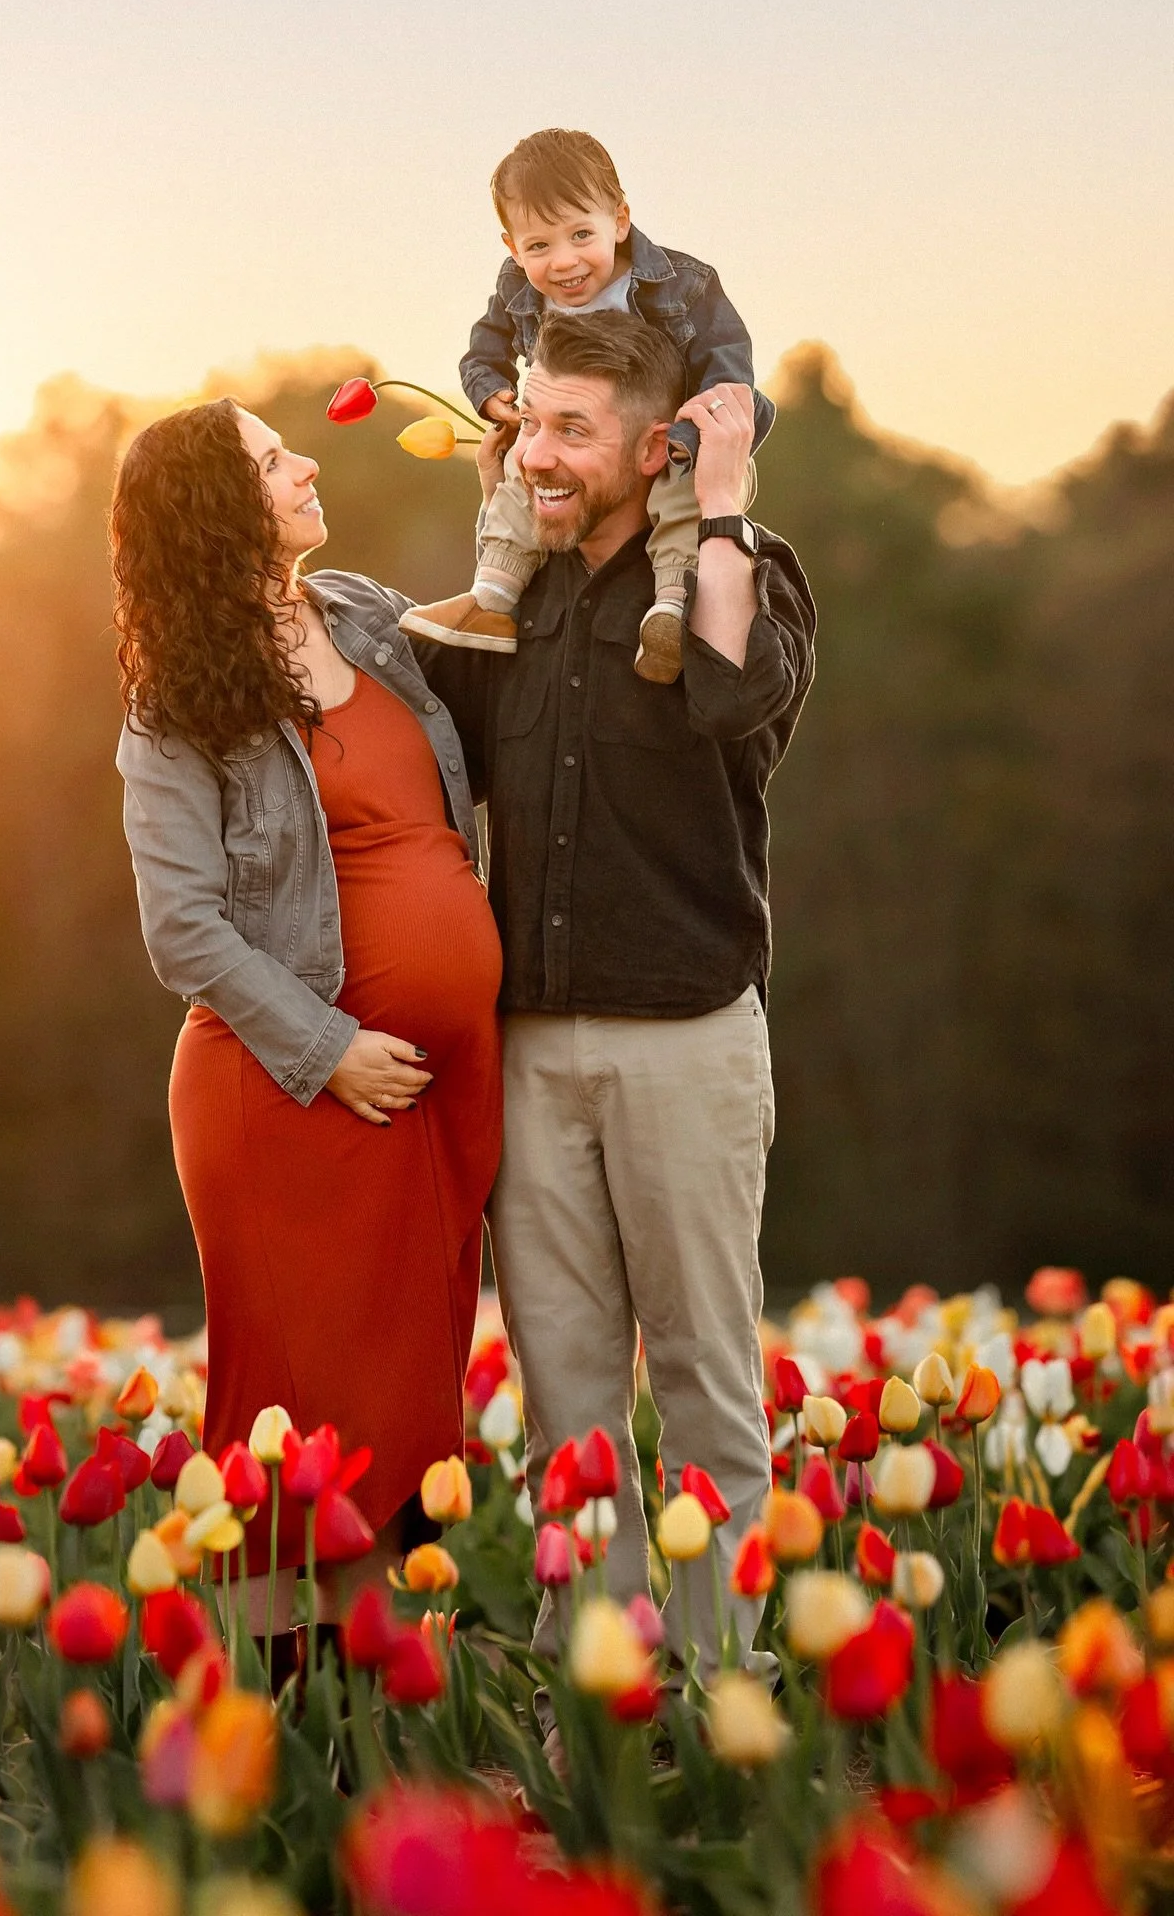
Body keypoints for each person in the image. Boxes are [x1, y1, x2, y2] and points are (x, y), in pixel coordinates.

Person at [411, 310, 816, 1680]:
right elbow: (419, 764)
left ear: (654, 445)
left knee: (706, 1373)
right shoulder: (501, 599)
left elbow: (724, 697)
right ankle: (593, 1690)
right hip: (528, 1052)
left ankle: (722, 1691)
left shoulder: (740, 577)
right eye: (526, 420)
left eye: (569, 429)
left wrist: (723, 504)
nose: (534, 451)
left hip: (688, 1041)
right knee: (567, 1394)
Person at [111, 399, 503, 1653]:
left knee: (403, 1405)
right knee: (290, 1413)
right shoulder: (177, 704)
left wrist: (512, 481)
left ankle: (382, 1719)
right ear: (220, 510)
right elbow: (184, 931)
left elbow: (504, 642)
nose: (306, 463)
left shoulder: (368, 619)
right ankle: (282, 1720)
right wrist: (328, 1048)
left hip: (430, 1090)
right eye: (274, 461)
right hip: (286, 1098)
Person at [398, 126, 775, 685]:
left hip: (666, 434)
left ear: (619, 221)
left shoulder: (681, 285)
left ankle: (670, 607)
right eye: (539, 247)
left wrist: (695, 442)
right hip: (588, 450)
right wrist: (492, 392)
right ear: (512, 247)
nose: (564, 263)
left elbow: (730, 367)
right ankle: (494, 597)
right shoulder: (515, 287)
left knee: (679, 496)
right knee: (514, 471)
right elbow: (483, 349)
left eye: (581, 235)